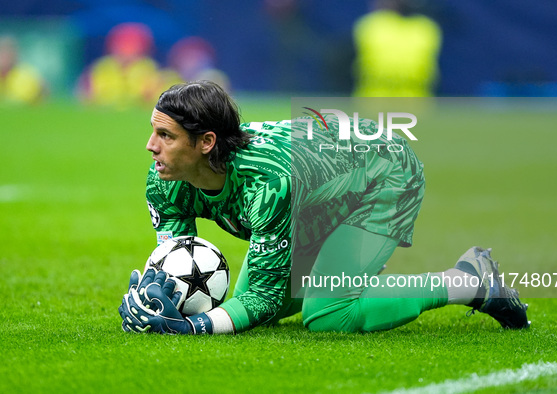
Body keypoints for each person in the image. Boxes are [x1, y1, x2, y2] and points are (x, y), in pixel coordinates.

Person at [119, 81, 530, 335]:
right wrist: (157, 294)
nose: (151, 147)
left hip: (381, 176)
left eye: (165, 135)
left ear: (206, 142)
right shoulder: (164, 180)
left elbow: (259, 297)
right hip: (317, 194)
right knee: (249, 311)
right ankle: (347, 275)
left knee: (328, 311)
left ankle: (470, 281)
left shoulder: (267, 182)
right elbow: (174, 255)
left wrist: (193, 326)